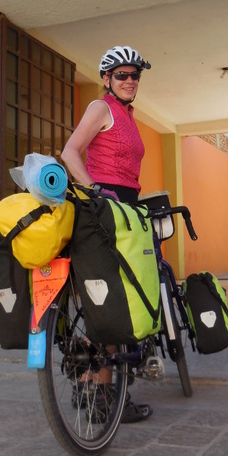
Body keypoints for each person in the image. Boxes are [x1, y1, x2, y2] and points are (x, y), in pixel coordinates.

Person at [61, 45, 153, 423]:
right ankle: (104, 398)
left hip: (124, 211)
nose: (129, 81)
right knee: (113, 303)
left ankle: (97, 396)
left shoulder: (128, 115)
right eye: (122, 75)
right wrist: (96, 192)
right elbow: (70, 152)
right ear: (106, 79)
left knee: (115, 300)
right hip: (104, 213)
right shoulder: (101, 108)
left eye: (135, 75)